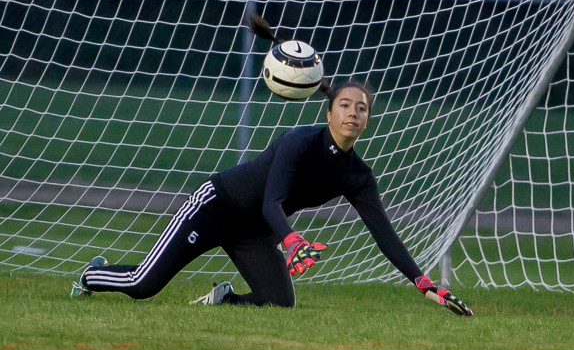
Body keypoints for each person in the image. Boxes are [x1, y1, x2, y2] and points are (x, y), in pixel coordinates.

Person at [70, 76, 473, 317]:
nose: (353, 113)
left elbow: (384, 234)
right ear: (330, 112)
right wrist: (293, 241)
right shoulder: (298, 142)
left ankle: (224, 300)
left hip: (256, 231)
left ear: (368, 120)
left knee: (280, 303)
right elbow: (271, 201)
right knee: (144, 285)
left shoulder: (358, 176)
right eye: (345, 105)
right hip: (215, 207)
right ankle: (92, 273)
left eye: (362, 108)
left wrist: (423, 282)